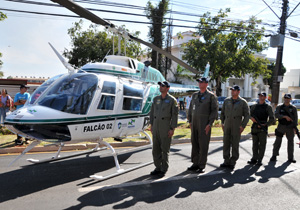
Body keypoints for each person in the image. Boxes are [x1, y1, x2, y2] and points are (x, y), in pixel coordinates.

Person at [187, 77, 218, 173]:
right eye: (199, 82)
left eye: (202, 82)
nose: (200, 84)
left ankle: (202, 164)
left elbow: (214, 111)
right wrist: (190, 121)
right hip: (195, 122)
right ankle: (195, 163)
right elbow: (191, 108)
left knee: (203, 144)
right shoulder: (195, 95)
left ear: (206, 84)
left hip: (204, 123)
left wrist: (210, 123)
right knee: (195, 142)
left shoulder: (211, 96)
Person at [149, 81, 178, 177]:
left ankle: (164, 168)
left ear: (167, 88)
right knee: (155, 149)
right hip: (156, 125)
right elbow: (152, 113)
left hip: (165, 126)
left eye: (163, 86)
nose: (160, 87)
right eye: (160, 85)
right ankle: (158, 167)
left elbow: (174, 115)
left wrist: (172, 128)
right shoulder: (156, 99)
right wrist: (151, 125)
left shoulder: (171, 100)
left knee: (164, 149)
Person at [220, 85, 250, 169]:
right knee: (226, 143)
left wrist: (243, 126)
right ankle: (226, 160)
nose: (232, 92)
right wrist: (222, 123)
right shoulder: (227, 101)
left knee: (235, 143)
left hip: (236, 125)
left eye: (234, 90)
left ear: (238, 91)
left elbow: (247, 115)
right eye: (232, 90)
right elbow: (222, 113)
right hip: (227, 124)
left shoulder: (243, 102)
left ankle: (233, 161)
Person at [248, 92, 274, 166]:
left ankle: (259, 160)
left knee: (262, 145)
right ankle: (254, 158)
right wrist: (251, 118)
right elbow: (249, 114)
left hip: (263, 128)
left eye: (262, 96)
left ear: (265, 97)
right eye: (260, 96)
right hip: (255, 127)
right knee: (255, 145)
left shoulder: (268, 107)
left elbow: (272, 119)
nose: (261, 97)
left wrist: (265, 124)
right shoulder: (254, 106)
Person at [270, 93, 298, 163]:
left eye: (288, 98)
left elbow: (295, 119)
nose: (286, 99)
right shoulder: (280, 107)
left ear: (290, 99)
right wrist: (284, 116)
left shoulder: (293, 108)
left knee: (291, 142)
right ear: (284, 98)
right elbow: (276, 115)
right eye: (285, 98)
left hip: (290, 127)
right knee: (277, 141)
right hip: (281, 126)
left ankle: (291, 157)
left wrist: (295, 127)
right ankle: (274, 155)